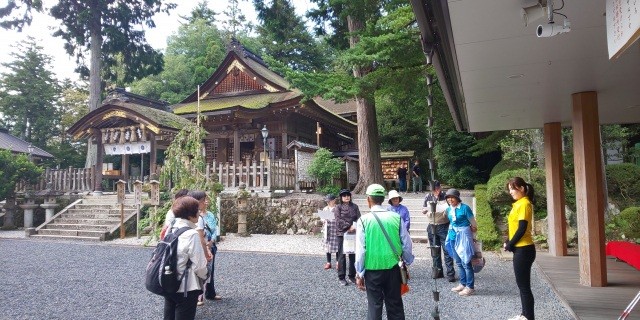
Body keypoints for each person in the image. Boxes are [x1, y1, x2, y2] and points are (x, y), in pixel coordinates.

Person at [355, 184, 414, 320]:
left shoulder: (363, 220)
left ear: (368, 199)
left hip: (372, 269)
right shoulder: (396, 217)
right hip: (393, 268)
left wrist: (359, 273)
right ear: (383, 199)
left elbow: (360, 251)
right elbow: (406, 244)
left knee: (374, 306)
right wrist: (407, 261)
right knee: (395, 305)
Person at [162, 196, 209, 320]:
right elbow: (199, 266)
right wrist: (205, 275)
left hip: (169, 280)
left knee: (169, 316)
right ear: (191, 214)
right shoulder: (191, 234)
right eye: (197, 210)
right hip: (186, 285)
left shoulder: (171, 228)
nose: (199, 213)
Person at [505, 177, 536, 320]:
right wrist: (509, 241)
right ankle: (525, 314)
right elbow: (516, 227)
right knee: (522, 285)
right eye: (510, 189)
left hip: (524, 249)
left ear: (522, 188)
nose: (510, 191)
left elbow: (522, 228)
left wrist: (511, 244)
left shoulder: (524, 204)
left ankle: (528, 317)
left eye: (513, 188)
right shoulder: (518, 204)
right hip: (521, 248)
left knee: (524, 286)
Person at [444, 188, 478, 297]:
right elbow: (449, 220)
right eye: (448, 198)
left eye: (452, 197)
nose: (450, 199)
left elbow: (474, 224)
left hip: (463, 235)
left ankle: (470, 287)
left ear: (457, 198)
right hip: (453, 235)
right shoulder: (449, 209)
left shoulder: (465, 208)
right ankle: (463, 284)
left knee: (466, 262)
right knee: (458, 261)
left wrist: (473, 233)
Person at [187, 190, 219, 306]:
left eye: (206, 199)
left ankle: (210, 293)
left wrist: (212, 241)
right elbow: (199, 236)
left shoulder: (210, 215)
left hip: (211, 245)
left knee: (210, 270)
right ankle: (198, 296)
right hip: (201, 247)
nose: (206, 201)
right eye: (204, 199)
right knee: (199, 270)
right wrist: (205, 247)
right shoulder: (195, 217)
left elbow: (215, 229)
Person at [422, 181, 455, 281]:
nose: (436, 191)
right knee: (434, 251)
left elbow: (452, 208)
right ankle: (438, 271)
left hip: (444, 225)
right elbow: (423, 209)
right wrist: (425, 210)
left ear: (440, 187)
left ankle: (450, 273)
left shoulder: (446, 196)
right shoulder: (428, 196)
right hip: (432, 225)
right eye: (434, 189)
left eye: (437, 188)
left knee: (447, 250)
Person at [333, 189, 361, 286]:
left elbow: (359, 218)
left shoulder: (355, 206)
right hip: (342, 233)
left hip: (353, 233)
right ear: (341, 197)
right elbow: (338, 219)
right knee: (342, 255)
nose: (346, 197)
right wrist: (348, 227)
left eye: (348, 195)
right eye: (344, 195)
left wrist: (355, 226)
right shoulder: (338, 207)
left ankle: (352, 275)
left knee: (353, 255)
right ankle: (341, 277)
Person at [322, 194, 339, 270]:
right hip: (327, 229)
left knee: (337, 246)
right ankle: (328, 262)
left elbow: (340, 218)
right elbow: (322, 218)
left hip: (335, 229)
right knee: (327, 246)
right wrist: (324, 219)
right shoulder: (325, 209)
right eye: (327, 201)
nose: (328, 202)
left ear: (334, 200)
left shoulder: (337, 208)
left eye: (330, 201)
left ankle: (338, 262)